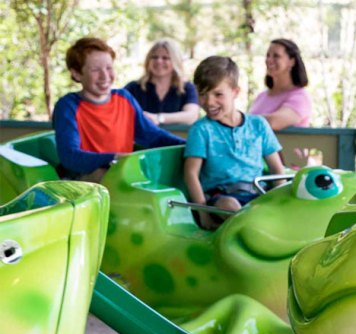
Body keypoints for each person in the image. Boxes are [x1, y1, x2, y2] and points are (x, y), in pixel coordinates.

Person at [53, 37, 185, 182]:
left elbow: (154, 136)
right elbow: (70, 157)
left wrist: (188, 146)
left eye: (109, 68)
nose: (105, 76)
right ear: (77, 73)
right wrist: (113, 158)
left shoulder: (125, 98)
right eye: (95, 69)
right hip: (83, 180)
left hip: (121, 176)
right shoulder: (67, 106)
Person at [184, 56, 285, 230]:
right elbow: (191, 173)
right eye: (202, 94)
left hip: (258, 194)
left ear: (235, 92)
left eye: (218, 94)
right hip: (222, 197)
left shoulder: (258, 124)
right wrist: (203, 212)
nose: (209, 102)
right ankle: (250, 231)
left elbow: (277, 170)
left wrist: (280, 203)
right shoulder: (201, 130)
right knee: (229, 205)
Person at [124, 39, 200, 126]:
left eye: (165, 58)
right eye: (154, 57)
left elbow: (191, 117)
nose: (159, 61)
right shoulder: (133, 88)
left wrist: (158, 118)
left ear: (175, 61)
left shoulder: (187, 88)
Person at [249, 38, 312, 130]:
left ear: (292, 61)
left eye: (276, 56)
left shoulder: (301, 97)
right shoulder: (261, 96)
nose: (269, 60)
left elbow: (274, 122)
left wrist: (238, 119)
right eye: (268, 55)